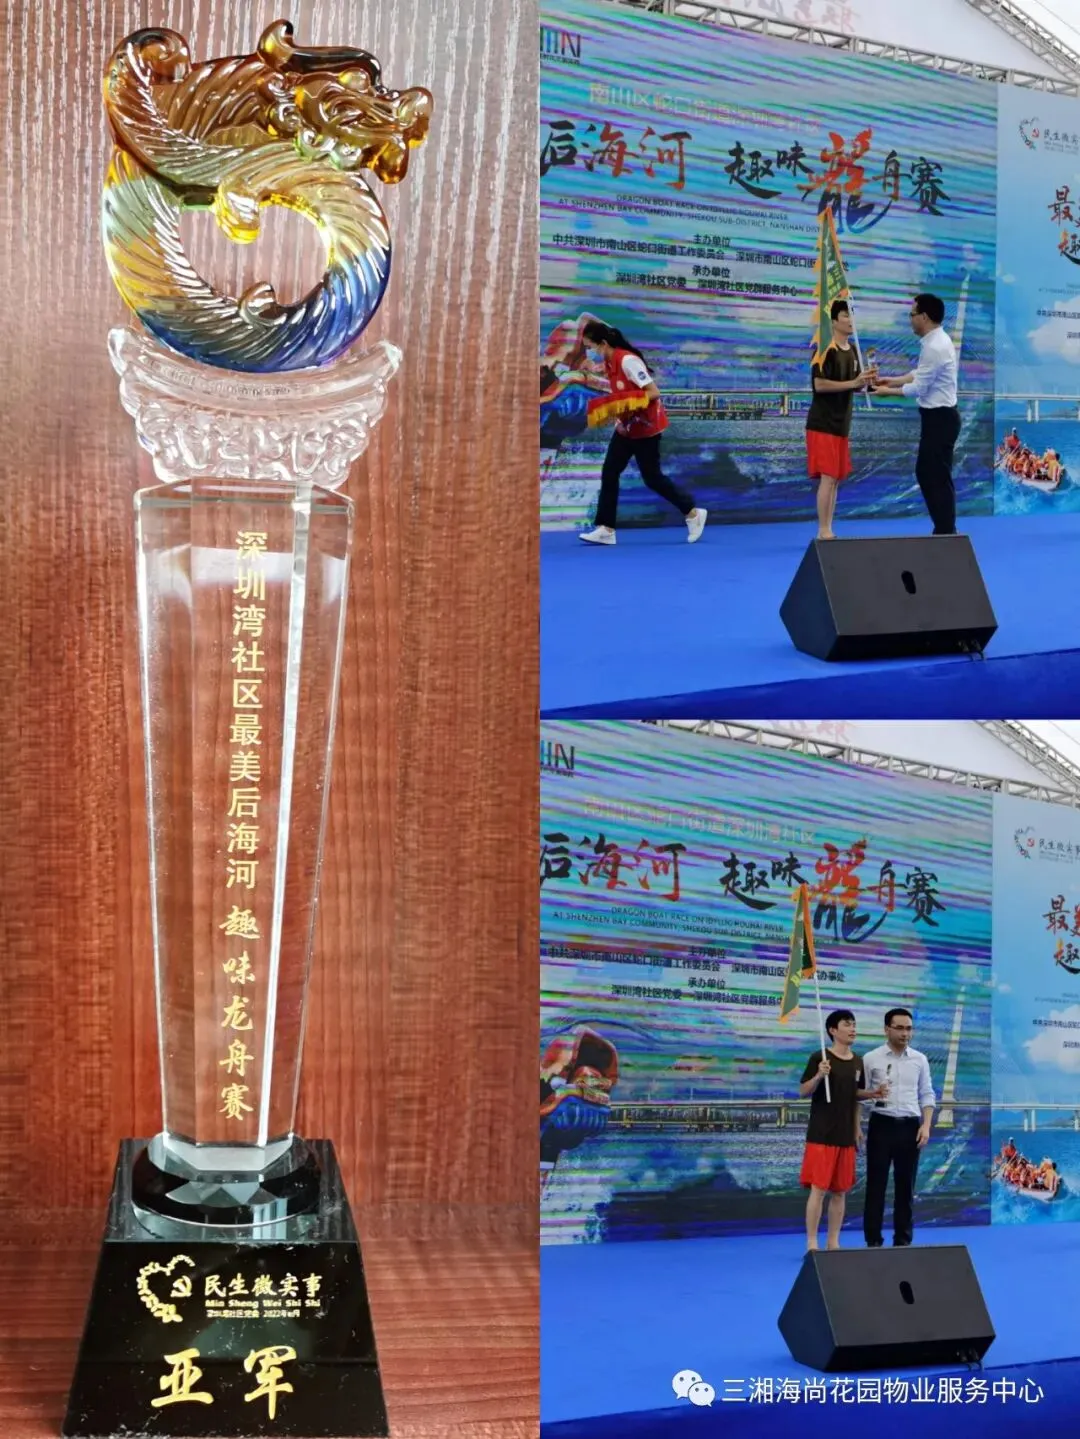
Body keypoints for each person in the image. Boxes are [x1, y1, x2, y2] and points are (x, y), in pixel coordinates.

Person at [577, 320, 707, 546]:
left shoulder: (628, 361)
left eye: (591, 347)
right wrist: (591, 371)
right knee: (610, 472)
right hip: (626, 428)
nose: (590, 352)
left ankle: (693, 513)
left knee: (652, 478)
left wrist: (624, 405)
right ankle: (606, 529)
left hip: (646, 428)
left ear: (603, 344)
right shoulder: (609, 362)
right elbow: (615, 384)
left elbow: (653, 392)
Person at [871, 294, 960, 535]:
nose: (910, 319)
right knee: (931, 473)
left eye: (912, 314)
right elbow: (920, 373)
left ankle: (946, 530)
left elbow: (919, 387)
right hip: (937, 419)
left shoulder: (935, 346)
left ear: (924, 317)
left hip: (940, 418)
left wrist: (888, 392)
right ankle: (944, 528)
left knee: (935, 475)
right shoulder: (935, 341)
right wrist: (892, 380)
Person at [798, 1010, 886, 1252]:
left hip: (846, 1136)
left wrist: (873, 1094)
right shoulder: (820, 1057)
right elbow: (803, 1091)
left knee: (840, 1192)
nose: (853, 1029)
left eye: (854, 1024)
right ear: (833, 1030)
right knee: (818, 1190)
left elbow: (855, 1094)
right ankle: (812, 1242)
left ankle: (833, 1242)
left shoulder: (858, 1061)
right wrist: (819, 1075)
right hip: (822, 1135)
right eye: (847, 1024)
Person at [860, 1008, 936, 1247]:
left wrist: (926, 1126)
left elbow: (927, 1094)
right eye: (900, 1028)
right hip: (880, 1125)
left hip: (910, 1127)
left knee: (906, 1187)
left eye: (909, 1029)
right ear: (887, 1029)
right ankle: (873, 1241)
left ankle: (902, 1241)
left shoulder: (920, 1059)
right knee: (876, 1186)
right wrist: (856, 1127)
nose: (905, 1034)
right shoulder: (871, 1058)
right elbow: (860, 1095)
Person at [805, 299, 870, 540]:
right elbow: (819, 385)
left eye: (852, 314)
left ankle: (828, 528)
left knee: (834, 480)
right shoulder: (824, 349)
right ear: (833, 321)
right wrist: (854, 382)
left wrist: (867, 382)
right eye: (845, 315)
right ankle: (823, 530)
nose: (851, 320)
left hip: (842, 424)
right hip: (823, 424)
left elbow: (855, 385)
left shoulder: (852, 350)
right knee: (828, 477)